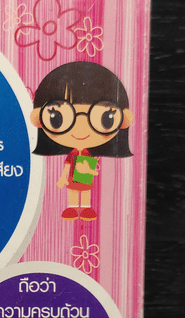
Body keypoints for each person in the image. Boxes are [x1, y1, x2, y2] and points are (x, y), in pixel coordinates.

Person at [30, 61, 133, 221]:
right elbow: (67, 166)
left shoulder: (88, 154)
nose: (82, 128)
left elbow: (93, 170)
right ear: (38, 118)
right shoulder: (73, 154)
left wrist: (91, 171)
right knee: (73, 191)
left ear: (124, 120)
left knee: (85, 192)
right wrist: (63, 177)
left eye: (106, 118)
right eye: (57, 118)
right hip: (73, 178)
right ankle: (72, 207)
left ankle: (85, 208)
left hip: (85, 178)